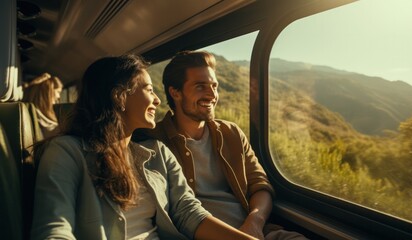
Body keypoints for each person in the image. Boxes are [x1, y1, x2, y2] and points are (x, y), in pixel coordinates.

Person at [31, 54, 257, 240]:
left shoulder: (158, 153)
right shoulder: (66, 152)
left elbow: (188, 213)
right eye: (149, 90)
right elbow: (54, 231)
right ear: (119, 97)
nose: (158, 100)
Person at [133, 51, 308, 240]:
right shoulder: (152, 141)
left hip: (255, 231)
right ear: (175, 92)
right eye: (200, 87)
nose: (212, 94)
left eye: (214, 86)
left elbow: (260, 185)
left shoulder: (231, 133)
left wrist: (254, 223)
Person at [23, 72, 63, 138]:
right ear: (47, 93)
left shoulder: (33, 111)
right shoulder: (39, 116)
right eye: (58, 92)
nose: (58, 96)